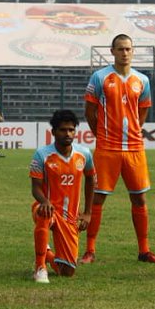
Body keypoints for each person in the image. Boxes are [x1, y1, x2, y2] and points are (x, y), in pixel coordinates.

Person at [80, 33, 155, 264]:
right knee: (98, 198)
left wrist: (133, 131)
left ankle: (144, 251)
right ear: (112, 51)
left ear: (133, 51)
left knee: (139, 199)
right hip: (107, 148)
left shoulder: (142, 80)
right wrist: (102, 135)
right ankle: (90, 250)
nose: (124, 53)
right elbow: (89, 111)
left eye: (128, 49)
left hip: (135, 148)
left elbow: (142, 112)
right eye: (120, 49)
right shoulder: (100, 77)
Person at [30, 109, 95, 284]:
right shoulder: (42, 155)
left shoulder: (84, 154)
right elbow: (35, 188)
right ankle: (40, 267)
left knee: (67, 272)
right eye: (63, 130)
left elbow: (91, 180)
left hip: (70, 217)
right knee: (44, 212)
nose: (68, 134)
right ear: (53, 132)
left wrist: (88, 213)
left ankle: (45, 250)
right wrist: (44, 201)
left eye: (71, 130)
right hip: (47, 208)